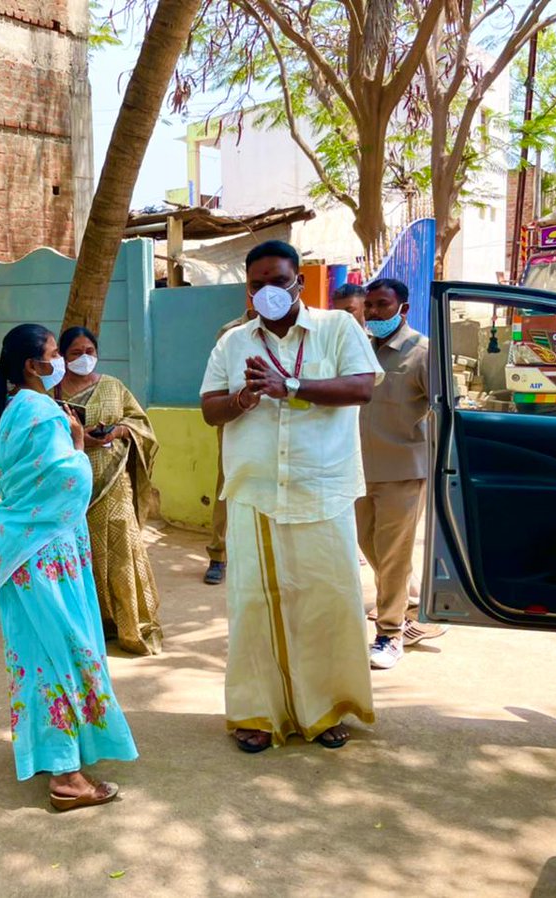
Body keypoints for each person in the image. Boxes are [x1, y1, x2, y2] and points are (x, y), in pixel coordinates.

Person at [199, 240, 382, 753]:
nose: (267, 291)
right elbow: (210, 408)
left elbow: (363, 387)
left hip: (321, 488)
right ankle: (257, 714)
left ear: (298, 282)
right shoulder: (233, 343)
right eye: (257, 284)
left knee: (327, 603)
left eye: (278, 281)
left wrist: (291, 384)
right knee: (253, 606)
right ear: (248, 290)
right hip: (255, 493)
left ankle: (324, 711)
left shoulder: (337, 328)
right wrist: (240, 399)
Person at [0, 323, 137, 810]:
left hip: (23, 550)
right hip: (44, 553)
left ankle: (55, 753)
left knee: (37, 655)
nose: (63, 361)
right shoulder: (44, 413)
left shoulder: (13, 408)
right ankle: (67, 778)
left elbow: (5, 475)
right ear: (34, 365)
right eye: (54, 353)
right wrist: (76, 445)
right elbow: (67, 484)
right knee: (65, 653)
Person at [56, 327, 162, 655]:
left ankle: (130, 625)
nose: (84, 357)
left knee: (120, 552)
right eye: (75, 352)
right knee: (80, 555)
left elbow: (142, 424)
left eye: (89, 350)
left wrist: (120, 429)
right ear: (62, 356)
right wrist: (77, 439)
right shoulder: (52, 394)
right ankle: (92, 627)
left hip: (114, 483)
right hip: (72, 489)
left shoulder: (113, 387)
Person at [357, 278, 443, 668]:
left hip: (403, 471)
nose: (373, 313)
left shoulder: (423, 353)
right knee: (368, 545)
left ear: (403, 309)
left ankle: (390, 633)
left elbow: (443, 410)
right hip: (358, 470)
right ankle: (410, 601)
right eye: (369, 306)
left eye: (382, 305)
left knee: (392, 554)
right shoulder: (359, 349)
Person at [204, 303, 256, 586]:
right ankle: (218, 555)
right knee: (227, 486)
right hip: (235, 420)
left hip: (277, 423)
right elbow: (217, 382)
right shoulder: (231, 332)